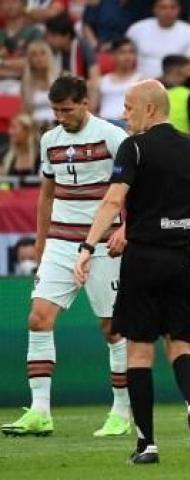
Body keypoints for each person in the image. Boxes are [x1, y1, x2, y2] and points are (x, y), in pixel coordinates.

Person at [73, 79, 190, 464]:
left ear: (151, 109)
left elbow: (113, 200)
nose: (124, 114)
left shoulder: (134, 147)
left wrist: (88, 246)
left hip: (143, 258)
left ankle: (147, 444)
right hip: (185, 258)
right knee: (182, 345)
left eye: (129, 107)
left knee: (139, 352)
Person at [0, 75, 131, 439]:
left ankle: (121, 411)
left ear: (85, 103)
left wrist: (126, 229)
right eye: (56, 110)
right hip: (60, 241)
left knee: (112, 328)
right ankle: (40, 410)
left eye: (67, 110)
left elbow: (133, 187)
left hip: (105, 242)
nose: (60, 117)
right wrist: (42, 243)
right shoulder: (49, 140)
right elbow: (46, 195)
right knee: (38, 318)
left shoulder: (112, 136)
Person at [125, 0, 190, 81]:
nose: (168, 12)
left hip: (174, 86)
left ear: (179, 10)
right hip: (139, 83)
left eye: (173, 8)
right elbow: (123, 58)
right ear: (155, 9)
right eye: (163, 8)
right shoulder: (137, 29)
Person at [44, 14, 101, 110]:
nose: (49, 40)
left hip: (83, 91)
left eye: (53, 36)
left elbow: (94, 76)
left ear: (66, 35)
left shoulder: (83, 46)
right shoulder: (51, 50)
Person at [159, 54, 190, 145]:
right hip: (183, 147)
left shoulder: (149, 92)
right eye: (186, 73)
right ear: (176, 72)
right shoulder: (189, 94)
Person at [97, 37, 142, 128]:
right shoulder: (101, 81)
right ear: (113, 56)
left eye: (131, 52)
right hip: (103, 123)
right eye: (122, 52)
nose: (127, 56)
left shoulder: (142, 81)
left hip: (127, 125)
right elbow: (92, 109)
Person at [20, 39, 59, 131]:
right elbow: (26, 112)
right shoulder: (26, 84)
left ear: (49, 56)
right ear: (29, 60)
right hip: (35, 128)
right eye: (34, 55)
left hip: (58, 126)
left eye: (43, 53)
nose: (39, 58)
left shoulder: (59, 80)